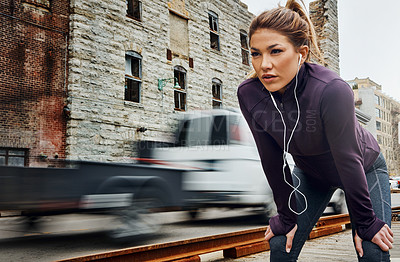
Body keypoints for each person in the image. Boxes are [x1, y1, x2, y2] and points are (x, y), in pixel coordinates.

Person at [237, 0, 393, 261]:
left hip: (363, 167)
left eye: (275, 51)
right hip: (311, 174)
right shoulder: (250, 94)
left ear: (302, 53)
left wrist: (365, 223)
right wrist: (286, 217)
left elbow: (348, 159)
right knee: (280, 242)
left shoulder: (331, 90)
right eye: (255, 53)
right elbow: (272, 160)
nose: (264, 64)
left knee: (372, 247)